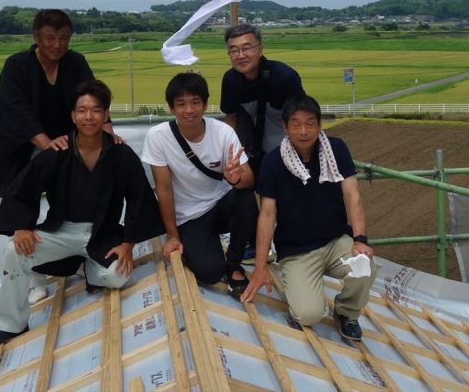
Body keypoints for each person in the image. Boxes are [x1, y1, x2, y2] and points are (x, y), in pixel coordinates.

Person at [0, 80, 163, 347]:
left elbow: (140, 198)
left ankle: (91, 268)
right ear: (73, 115)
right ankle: (11, 324)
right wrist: (21, 226)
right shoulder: (58, 151)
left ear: (105, 114)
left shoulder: (122, 155)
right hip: (62, 231)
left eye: (96, 110)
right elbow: (24, 187)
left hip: (103, 234)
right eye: (82, 110)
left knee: (116, 277)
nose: (89, 117)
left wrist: (127, 245)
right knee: (14, 251)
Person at [240, 94, 377, 342]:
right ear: (285, 127)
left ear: (319, 124)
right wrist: (260, 267)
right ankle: (304, 294)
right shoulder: (273, 162)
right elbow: (267, 216)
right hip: (297, 250)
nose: (303, 131)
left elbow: (352, 196)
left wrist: (360, 240)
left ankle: (346, 312)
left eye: (310, 123)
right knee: (308, 315)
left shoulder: (336, 149)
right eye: (296, 124)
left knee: (365, 267)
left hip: (335, 241)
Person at [142, 72, 257, 296]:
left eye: (196, 102)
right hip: (190, 216)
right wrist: (172, 236)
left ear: (205, 104)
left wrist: (235, 179)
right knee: (210, 272)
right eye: (181, 104)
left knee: (245, 198)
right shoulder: (158, 136)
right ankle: (202, 246)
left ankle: (234, 263)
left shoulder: (223, 132)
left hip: (221, 204)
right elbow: (163, 189)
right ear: (171, 107)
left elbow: (250, 179)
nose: (189, 110)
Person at [0, 8, 120, 197]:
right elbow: (17, 111)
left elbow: (95, 96)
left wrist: (108, 133)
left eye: (64, 38)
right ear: (36, 37)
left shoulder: (75, 62)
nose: (57, 45)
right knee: (18, 208)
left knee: (69, 202)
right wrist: (46, 143)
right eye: (50, 38)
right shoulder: (16, 66)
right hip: (22, 151)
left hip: (65, 150)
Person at [220, 23, 305, 173]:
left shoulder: (285, 77)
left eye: (246, 48)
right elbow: (231, 119)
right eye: (234, 50)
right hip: (251, 152)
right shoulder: (231, 80)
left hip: (288, 154)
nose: (240, 55)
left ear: (260, 49)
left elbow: (302, 118)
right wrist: (233, 154)